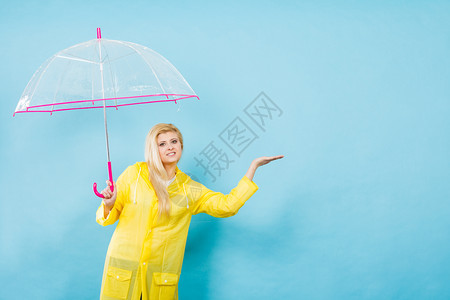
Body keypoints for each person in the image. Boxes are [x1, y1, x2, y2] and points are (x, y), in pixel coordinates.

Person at [96, 123, 283, 300]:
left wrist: (253, 168)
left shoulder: (189, 188)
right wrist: (109, 204)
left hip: (158, 277)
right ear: (154, 149)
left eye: (174, 141)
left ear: (181, 146)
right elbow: (106, 217)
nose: (170, 147)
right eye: (162, 143)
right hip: (124, 269)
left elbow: (227, 206)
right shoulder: (134, 174)